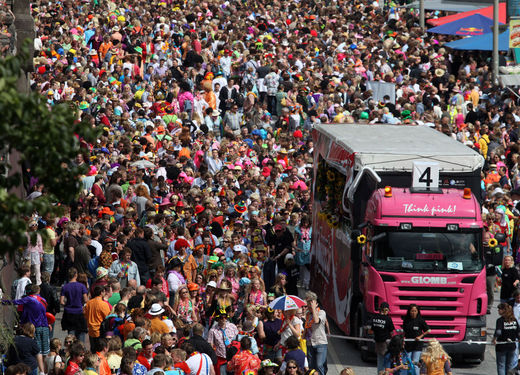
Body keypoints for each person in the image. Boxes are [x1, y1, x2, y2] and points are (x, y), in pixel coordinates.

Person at [60, 267, 88, 342]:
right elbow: (86, 300)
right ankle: (81, 349)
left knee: (71, 333)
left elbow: (61, 301)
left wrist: (67, 304)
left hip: (69, 312)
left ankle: (71, 349)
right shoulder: (82, 286)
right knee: (81, 333)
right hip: (79, 311)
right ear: (76, 275)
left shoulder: (65, 287)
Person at [367, 302, 395, 375]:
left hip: (378, 342)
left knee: (380, 361)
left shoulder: (374, 317)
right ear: (386, 310)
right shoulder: (388, 319)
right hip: (386, 343)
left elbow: (371, 331)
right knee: (388, 361)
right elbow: (392, 332)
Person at [304, 291, 328, 375]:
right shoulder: (307, 314)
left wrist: (314, 308)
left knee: (319, 365)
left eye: (311, 303)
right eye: (308, 304)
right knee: (311, 366)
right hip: (310, 343)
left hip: (320, 342)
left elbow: (317, 320)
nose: (309, 306)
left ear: (315, 303)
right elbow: (306, 327)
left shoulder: (322, 312)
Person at [493, 303, 520, 375]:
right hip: (512, 346)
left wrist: (494, 339)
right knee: (510, 366)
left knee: (501, 366)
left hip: (502, 346)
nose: (498, 311)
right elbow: (518, 332)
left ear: (504, 310)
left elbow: (498, 332)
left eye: (499, 309)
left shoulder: (500, 320)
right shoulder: (514, 320)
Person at [402, 304, 430, 371]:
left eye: (415, 311)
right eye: (412, 311)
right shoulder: (406, 320)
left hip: (417, 345)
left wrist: (420, 336)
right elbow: (404, 331)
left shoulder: (421, 320)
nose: (413, 312)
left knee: (415, 363)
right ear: (409, 311)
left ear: (417, 311)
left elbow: (428, 330)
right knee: (407, 363)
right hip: (408, 344)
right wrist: (402, 340)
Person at [84, 285, 111, 350]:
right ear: (101, 292)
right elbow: (108, 316)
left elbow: (85, 315)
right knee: (100, 349)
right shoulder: (103, 304)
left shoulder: (89, 303)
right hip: (100, 330)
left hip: (91, 330)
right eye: (104, 292)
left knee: (93, 349)